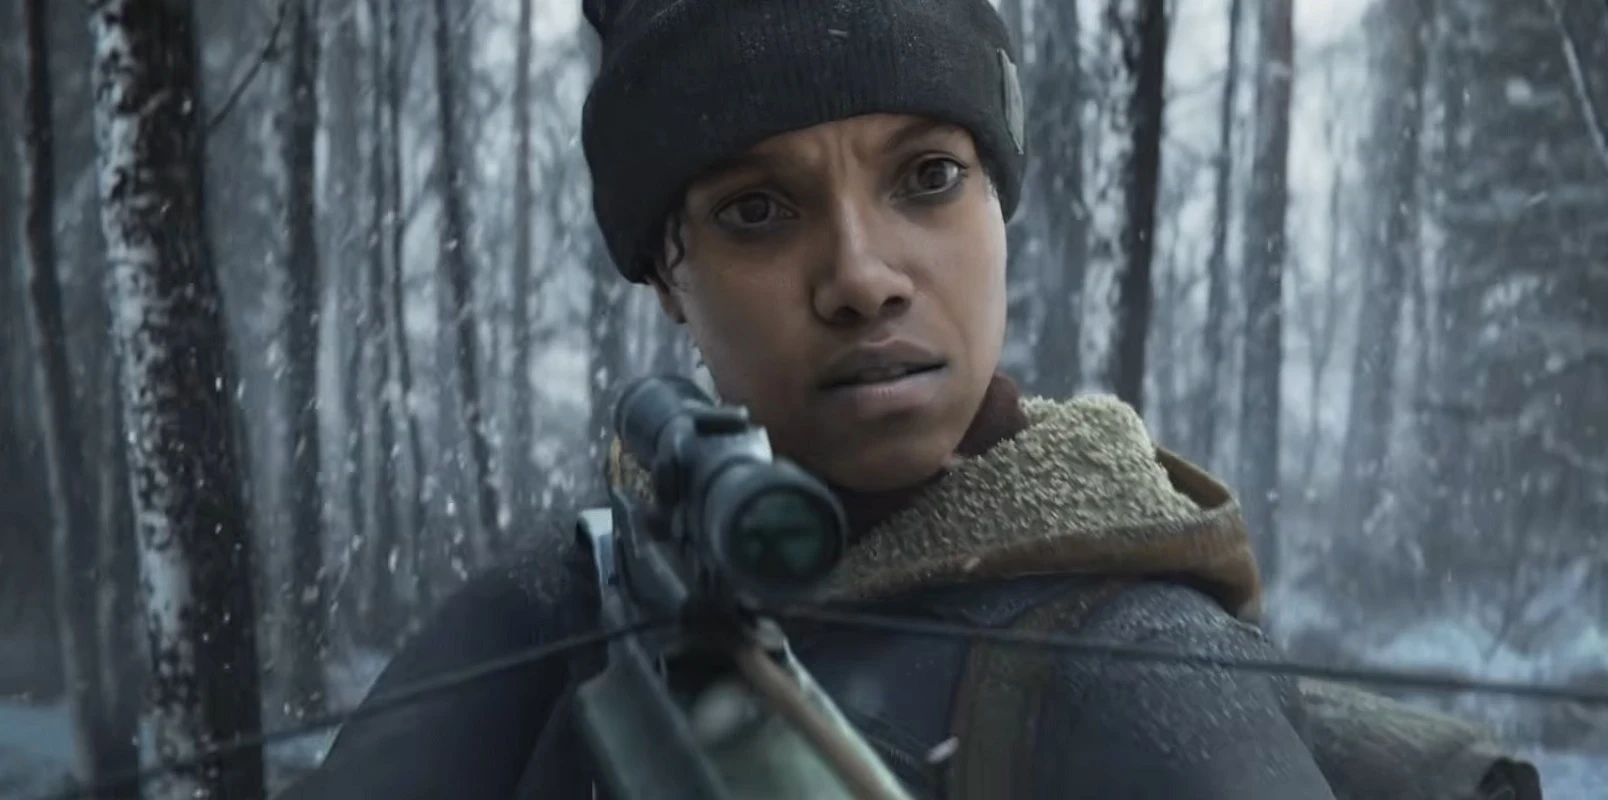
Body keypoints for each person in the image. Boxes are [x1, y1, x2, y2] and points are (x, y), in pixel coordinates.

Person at [279, 1, 1542, 798]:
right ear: (670, 277)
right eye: (758, 209)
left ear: (999, 209)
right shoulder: (558, 605)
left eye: (928, 177)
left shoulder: (1138, 669)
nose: (861, 274)